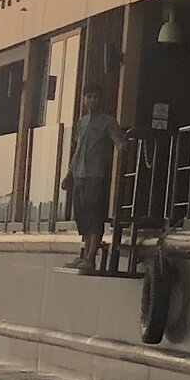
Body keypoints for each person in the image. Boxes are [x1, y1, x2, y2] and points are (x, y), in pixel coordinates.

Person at [67, 85, 128, 273]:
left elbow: (117, 140)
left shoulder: (108, 122)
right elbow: (77, 150)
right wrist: (69, 174)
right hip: (79, 175)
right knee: (82, 216)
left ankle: (90, 257)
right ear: (84, 99)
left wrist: (122, 145)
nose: (92, 101)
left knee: (94, 216)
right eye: (89, 97)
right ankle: (83, 254)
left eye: (96, 97)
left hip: (96, 175)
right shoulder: (81, 122)